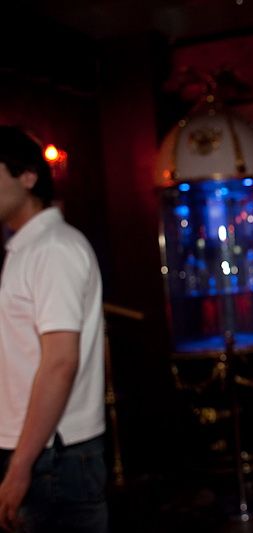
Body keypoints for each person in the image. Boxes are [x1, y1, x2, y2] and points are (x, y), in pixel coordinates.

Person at [0, 126, 107, 532]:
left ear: (28, 176)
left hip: (54, 455)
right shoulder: (29, 247)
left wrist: (21, 465)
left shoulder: (53, 248)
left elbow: (60, 361)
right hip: (41, 449)